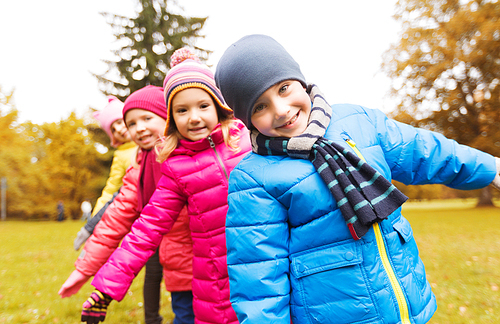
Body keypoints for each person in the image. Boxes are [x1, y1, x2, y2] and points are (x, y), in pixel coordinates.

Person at [213, 34, 500, 324]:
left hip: (405, 302)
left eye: (284, 88)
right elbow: (258, 279)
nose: (281, 110)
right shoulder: (254, 178)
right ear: (247, 119)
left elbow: (427, 151)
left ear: (300, 81)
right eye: (260, 106)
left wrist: (491, 168)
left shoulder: (359, 122)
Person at [80, 48, 251, 324]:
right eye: (182, 110)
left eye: (202, 106)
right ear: (171, 118)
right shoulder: (176, 168)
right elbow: (146, 230)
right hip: (216, 284)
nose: (193, 117)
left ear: (219, 105)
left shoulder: (246, 140)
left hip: (267, 267)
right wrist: (106, 289)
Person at [60, 85, 194, 324]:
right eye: (131, 123)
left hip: (216, 262)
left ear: (167, 117)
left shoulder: (192, 154)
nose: (138, 127)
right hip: (180, 269)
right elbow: (116, 218)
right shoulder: (139, 169)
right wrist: (83, 270)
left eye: (146, 118)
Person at [73, 96, 137, 251]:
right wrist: (95, 218)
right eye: (113, 129)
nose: (119, 129)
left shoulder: (155, 140)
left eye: (120, 122)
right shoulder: (120, 155)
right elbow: (110, 189)